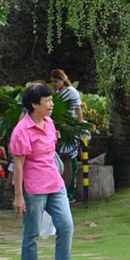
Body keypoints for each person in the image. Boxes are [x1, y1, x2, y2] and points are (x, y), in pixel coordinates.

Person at [10, 83, 81, 260]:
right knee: (31, 234)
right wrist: (18, 196)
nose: (51, 104)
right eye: (47, 101)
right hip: (34, 188)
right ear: (34, 105)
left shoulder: (49, 123)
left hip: (55, 184)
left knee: (66, 227)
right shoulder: (21, 131)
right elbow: (19, 166)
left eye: (51, 100)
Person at [50, 69, 84, 202]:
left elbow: (78, 109)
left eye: (56, 81)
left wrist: (80, 126)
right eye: (52, 82)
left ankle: (70, 192)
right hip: (60, 128)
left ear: (63, 79)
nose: (54, 84)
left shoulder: (71, 92)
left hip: (70, 128)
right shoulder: (57, 93)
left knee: (68, 157)